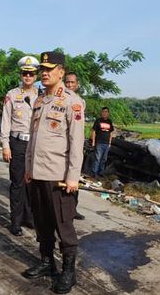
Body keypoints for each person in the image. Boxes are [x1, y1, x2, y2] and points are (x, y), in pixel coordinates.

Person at [24, 51, 85, 294]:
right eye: (43, 69)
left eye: (50, 69)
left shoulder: (73, 101)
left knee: (64, 226)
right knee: (42, 223)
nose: (44, 73)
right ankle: (47, 261)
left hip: (59, 176)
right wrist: (28, 168)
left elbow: (76, 142)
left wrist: (73, 176)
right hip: (38, 174)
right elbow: (32, 140)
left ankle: (69, 270)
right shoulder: (39, 101)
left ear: (61, 71)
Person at [0, 55, 39, 236]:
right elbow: (6, 120)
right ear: (21, 74)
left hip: (36, 145)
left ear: (36, 76)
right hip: (17, 143)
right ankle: (15, 221)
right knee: (17, 184)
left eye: (31, 74)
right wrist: (5, 145)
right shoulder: (12, 95)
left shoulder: (42, 96)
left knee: (32, 183)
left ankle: (29, 217)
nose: (28, 77)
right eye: (25, 73)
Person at [64, 72, 85, 220]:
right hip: (62, 147)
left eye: (72, 83)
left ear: (77, 84)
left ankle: (73, 209)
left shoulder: (80, 102)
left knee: (74, 178)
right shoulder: (60, 100)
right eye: (67, 82)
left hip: (75, 145)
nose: (70, 85)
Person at [91, 107, 114, 177]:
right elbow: (94, 131)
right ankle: (94, 173)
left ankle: (101, 172)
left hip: (106, 143)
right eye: (103, 111)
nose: (104, 113)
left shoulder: (109, 121)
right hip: (99, 142)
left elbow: (111, 133)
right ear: (101, 113)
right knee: (97, 158)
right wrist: (93, 141)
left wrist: (110, 143)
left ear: (108, 113)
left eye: (106, 112)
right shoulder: (98, 121)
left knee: (104, 159)